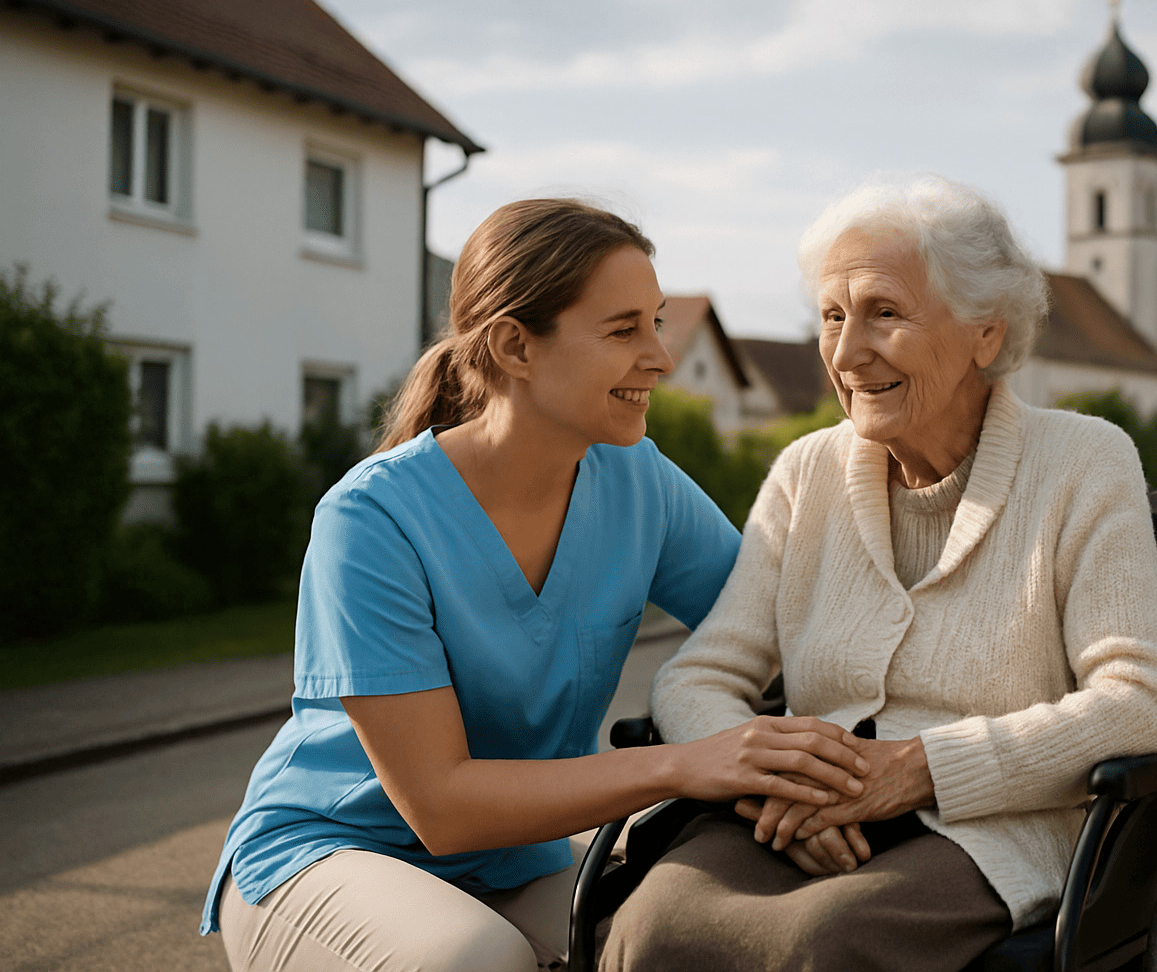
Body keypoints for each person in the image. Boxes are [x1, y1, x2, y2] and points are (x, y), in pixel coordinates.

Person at [201, 199, 872, 972]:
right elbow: (442, 808)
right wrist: (688, 763)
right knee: (473, 959)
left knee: (694, 940)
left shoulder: (638, 481)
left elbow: (783, 632)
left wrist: (810, 785)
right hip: (335, 854)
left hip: (520, 857)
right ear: (515, 346)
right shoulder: (371, 519)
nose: (659, 355)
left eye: (656, 322)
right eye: (624, 330)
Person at [601, 176, 1157, 972]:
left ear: (986, 332)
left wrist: (920, 770)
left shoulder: (1083, 462)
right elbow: (695, 676)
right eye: (833, 318)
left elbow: (1143, 700)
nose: (846, 355)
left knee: (820, 944)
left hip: (995, 825)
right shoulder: (807, 472)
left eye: (884, 313)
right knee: (651, 928)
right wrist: (770, 782)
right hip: (801, 816)